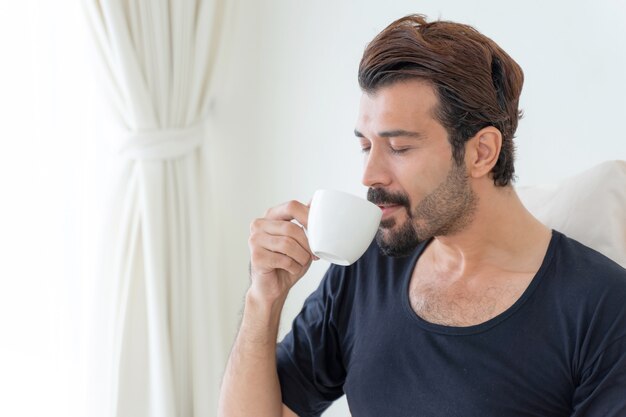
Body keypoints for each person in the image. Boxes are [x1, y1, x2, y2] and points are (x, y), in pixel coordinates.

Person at [218, 14, 626, 417]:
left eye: (398, 147)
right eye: (366, 146)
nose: (369, 175)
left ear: (481, 152)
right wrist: (263, 298)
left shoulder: (602, 309)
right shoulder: (366, 266)